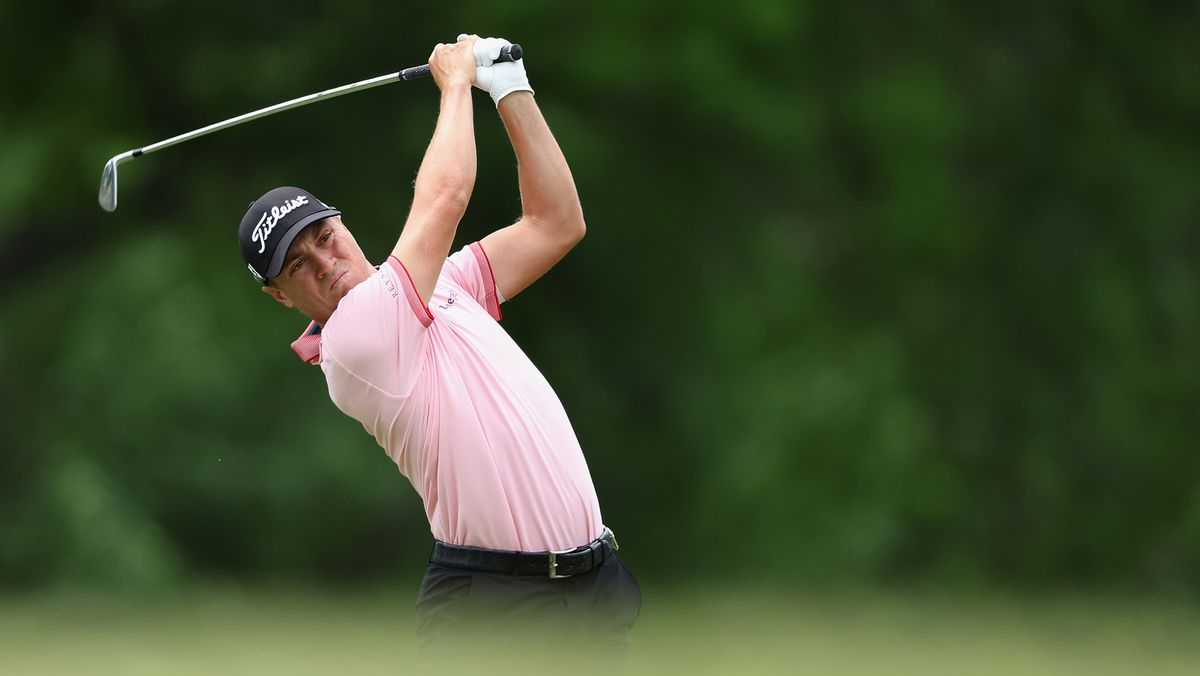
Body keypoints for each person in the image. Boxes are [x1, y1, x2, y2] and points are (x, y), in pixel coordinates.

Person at [235, 35, 641, 665]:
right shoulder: (354, 342)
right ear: (279, 296)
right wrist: (455, 84)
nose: (324, 261)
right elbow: (444, 199)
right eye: (297, 264)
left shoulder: (445, 285)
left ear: (342, 224)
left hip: (592, 588)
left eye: (323, 235)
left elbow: (556, 222)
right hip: (497, 602)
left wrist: (510, 88)